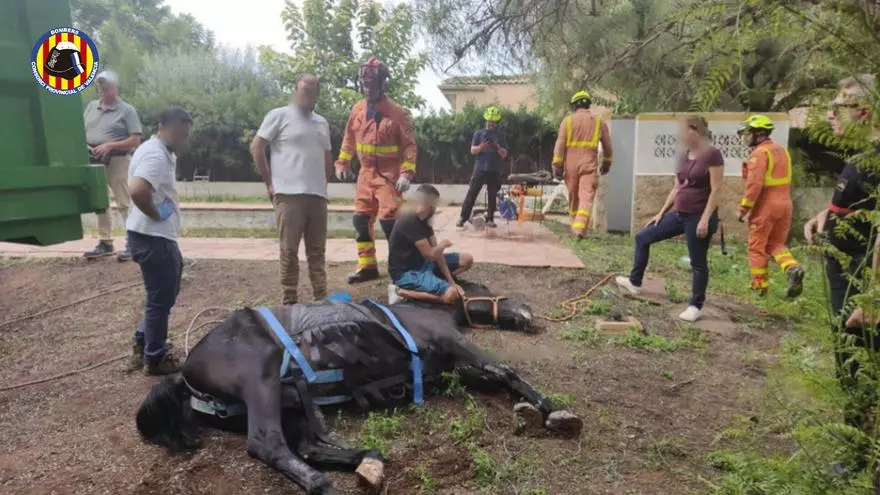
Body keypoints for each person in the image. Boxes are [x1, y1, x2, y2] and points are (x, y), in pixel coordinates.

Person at [804, 74, 879, 429]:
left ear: (864, 111)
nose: (830, 114)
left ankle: (859, 445)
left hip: (861, 285)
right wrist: (827, 215)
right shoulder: (863, 157)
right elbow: (862, 208)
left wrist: (873, 298)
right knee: (847, 360)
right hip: (844, 279)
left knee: (858, 364)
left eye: (838, 107)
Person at [616, 116, 723, 322]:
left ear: (696, 131)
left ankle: (695, 305)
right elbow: (677, 187)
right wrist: (661, 212)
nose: (680, 134)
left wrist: (705, 218)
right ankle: (635, 282)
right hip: (678, 214)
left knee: (698, 262)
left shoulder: (712, 154)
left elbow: (716, 189)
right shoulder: (684, 155)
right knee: (642, 237)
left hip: (698, 216)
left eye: (684, 130)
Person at [335, 57, 418, 284]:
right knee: (361, 221)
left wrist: (406, 173)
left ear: (382, 83)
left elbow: (409, 146)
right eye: (364, 84)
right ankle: (367, 266)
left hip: (389, 177)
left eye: (371, 84)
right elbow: (349, 139)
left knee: (390, 222)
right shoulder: (358, 109)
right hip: (365, 175)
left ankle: (400, 267)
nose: (367, 89)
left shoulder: (397, 113)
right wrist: (342, 162)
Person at [251, 75, 332, 305]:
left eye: (313, 92)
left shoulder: (322, 122)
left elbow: (327, 155)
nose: (309, 96)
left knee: (317, 251)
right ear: (296, 91)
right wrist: (269, 183)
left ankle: (321, 298)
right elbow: (257, 147)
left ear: (317, 95)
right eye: (305, 91)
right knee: (289, 250)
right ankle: (289, 300)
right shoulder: (279, 115)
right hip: (288, 195)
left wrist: (324, 183)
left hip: (317, 196)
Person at [126, 106, 193, 375]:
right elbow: (137, 190)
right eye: (179, 134)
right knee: (160, 298)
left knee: (163, 293)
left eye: (186, 135)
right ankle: (155, 357)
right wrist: (155, 213)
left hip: (151, 236)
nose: (183, 140)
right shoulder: (155, 154)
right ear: (163, 127)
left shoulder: (156, 150)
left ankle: (144, 342)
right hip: (153, 237)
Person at [736, 115, 804, 297]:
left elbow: (754, 185)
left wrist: (743, 209)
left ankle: (759, 287)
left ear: (759, 133)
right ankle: (792, 267)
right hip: (785, 205)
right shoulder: (782, 151)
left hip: (765, 207)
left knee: (756, 247)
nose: (745, 137)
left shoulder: (759, 154)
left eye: (748, 133)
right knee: (776, 244)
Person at [83, 70, 143, 261]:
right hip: (94, 160)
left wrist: (110, 145)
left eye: (107, 85)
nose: (103, 89)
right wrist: (86, 145)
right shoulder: (91, 107)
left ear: (116, 87)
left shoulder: (127, 110)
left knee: (125, 202)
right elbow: (81, 131)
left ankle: (134, 243)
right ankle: (105, 242)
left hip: (118, 160)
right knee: (100, 202)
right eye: (100, 85)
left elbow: (135, 140)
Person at [388, 184, 475, 305]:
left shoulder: (425, 220)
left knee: (467, 259)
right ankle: (400, 292)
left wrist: (451, 282)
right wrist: (443, 245)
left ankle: (437, 283)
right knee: (451, 295)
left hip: (424, 263)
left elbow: (437, 254)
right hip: (407, 273)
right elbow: (430, 254)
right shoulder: (409, 220)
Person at [552, 90, 614, 238]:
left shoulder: (567, 122)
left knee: (574, 197)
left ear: (574, 106)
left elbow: (560, 145)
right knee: (586, 197)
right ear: (588, 105)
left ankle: (576, 228)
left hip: (570, 166)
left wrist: (557, 165)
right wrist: (607, 163)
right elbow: (607, 145)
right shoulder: (598, 122)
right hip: (589, 165)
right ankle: (579, 230)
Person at [456, 106, 509, 228]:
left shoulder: (501, 136)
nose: (491, 124)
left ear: (497, 122)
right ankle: (463, 217)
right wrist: (481, 147)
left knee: (492, 196)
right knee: (472, 193)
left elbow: (504, 154)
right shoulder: (478, 133)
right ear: (486, 120)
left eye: (494, 122)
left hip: (494, 169)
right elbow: (472, 151)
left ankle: (490, 219)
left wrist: (497, 147)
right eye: (490, 121)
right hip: (480, 168)